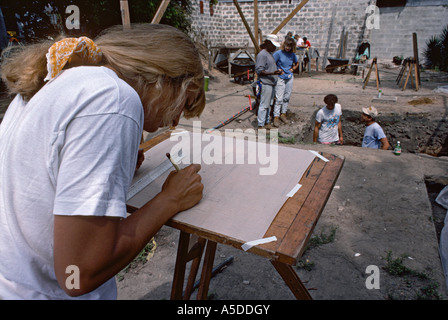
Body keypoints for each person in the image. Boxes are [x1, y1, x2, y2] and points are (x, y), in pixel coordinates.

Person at [0, 24, 205, 299]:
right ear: (165, 80)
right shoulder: (115, 99)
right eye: (184, 103)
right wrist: (170, 200)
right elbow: (78, 274)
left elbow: (41, 182)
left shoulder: (60, 80)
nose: (175, 121)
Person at [255, 34, 282, 130]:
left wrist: (275, 72)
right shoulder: (262, 55)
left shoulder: (269, 54)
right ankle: (261, 125)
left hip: (271, 83)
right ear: (268, 43)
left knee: (269, 104)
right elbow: (259, 70)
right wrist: (273, 73)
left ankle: (266, 122)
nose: (274, 47)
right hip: (266, 83)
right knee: (264, 105)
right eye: (273, 45)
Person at [272, 37, 298, 127]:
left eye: (290, 46)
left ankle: (283, 114)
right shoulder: (278, 53)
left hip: (289, 77)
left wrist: (293, 68)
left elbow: (297, 62)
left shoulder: (292, 55)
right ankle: (276, 116)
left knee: (286, 97)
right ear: (284, 45)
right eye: (287, 46)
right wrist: (277, 70)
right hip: (280, 78)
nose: (288, 48)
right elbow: (272, 63)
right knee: (279, 98)